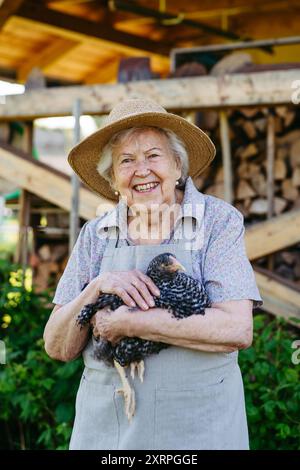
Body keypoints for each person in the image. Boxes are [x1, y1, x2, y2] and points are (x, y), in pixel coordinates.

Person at [43, 98, 263, 450]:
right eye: (126, 161)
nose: (141, 170)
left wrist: (131, 323)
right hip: (108, 433)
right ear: (113, 178)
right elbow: (57, 345)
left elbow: (237, 329)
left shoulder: (218, 222)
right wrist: (95, 288)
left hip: (198, 430)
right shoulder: (96, 234)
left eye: (153, 156)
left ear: (178, 165)